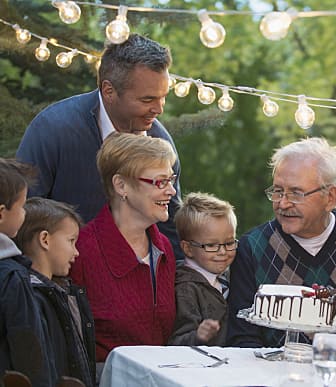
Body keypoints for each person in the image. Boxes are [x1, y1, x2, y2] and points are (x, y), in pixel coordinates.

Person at [16, 33, 183, 260]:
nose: (159, 109)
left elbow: (171, 225)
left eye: (163, 97)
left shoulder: (161, 142)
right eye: (147, 100)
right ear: (109, 91)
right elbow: (22, 213)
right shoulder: (53, 130)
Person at [227, 137, 336, 348]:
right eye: (277, 191)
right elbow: (242, 337)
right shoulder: (253, 248)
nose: (283, 203)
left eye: (296, 193)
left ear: (330, 197)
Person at [69, 132, 177, 362]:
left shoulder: (164, 248)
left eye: (171, 179)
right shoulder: (81, 251)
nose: (171, 191)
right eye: (160, 181)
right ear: (121, 185)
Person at [14, 197, 96, 387]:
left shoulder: (64, 292)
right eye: (71, 241)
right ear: (44, 239)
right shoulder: (30, 298)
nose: (76, 252)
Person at [0, 159, 56, 385]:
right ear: (2, 213)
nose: (24, 213)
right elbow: (28, 348)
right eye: (22, 206)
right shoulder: (11, 276)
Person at [168, 192, 237, 346]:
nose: (222, 252)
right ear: (188, 249)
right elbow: (175, 343)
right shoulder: (186, 288)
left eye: (229, 243)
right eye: (211, 245)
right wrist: (199, 336)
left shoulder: (230, 277)